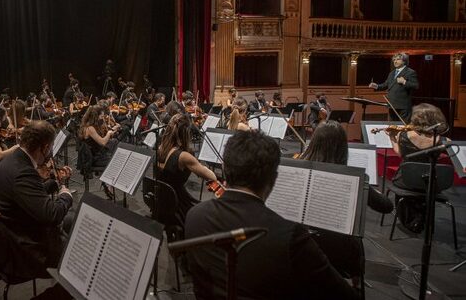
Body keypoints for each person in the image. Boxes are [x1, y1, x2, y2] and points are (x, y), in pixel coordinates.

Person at [185, 131, 360, 300]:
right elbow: (345, 295)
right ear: (274, 178)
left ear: (224, 167)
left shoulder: (194, 216)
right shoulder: (290, 236)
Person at [300, 120, 393, 279]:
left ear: (313, 142)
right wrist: (368, 190)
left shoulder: (297, 170)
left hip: (302, 246)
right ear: (343, 147)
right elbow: (386, 206)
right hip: (339, 252)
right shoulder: (353, 178)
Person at [0, 120, 73, 279]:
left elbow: (27, 197)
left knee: (74, 221)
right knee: (82, 255)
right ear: (45, 147)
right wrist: (66, 195)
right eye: (50, 147)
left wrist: (53, 183)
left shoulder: (15, 159)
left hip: (14, 232)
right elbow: (51, 215)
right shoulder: (23, 171)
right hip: (21, 251)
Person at [385, 103, 448, 233]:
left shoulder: (404, 135)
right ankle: (422, 218)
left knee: (406, 187)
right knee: (422, 189)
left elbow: (400, 153)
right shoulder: (442, 140)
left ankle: (410, 220)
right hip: (430, 183)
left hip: (405, 181)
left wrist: (392, 137)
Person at [155, 114, 217, 228]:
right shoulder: (184, 156)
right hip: (178, 204)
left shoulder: (160, 148)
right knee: (211, 214)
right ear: (186, 133)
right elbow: (212, 177)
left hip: (162, 200)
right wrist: (203, 167)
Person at [369, 52, 419, 122]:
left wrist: (404, 82)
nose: (395, 61)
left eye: (398, 59)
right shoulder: (392, 73)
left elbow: (415, 86)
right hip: (392, 105)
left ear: (404, 61)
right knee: (392, 128)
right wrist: (376, 86)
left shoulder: (410, 72)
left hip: (403, 107)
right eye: (394, 59)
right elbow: (385, 85)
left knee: (403, 129)